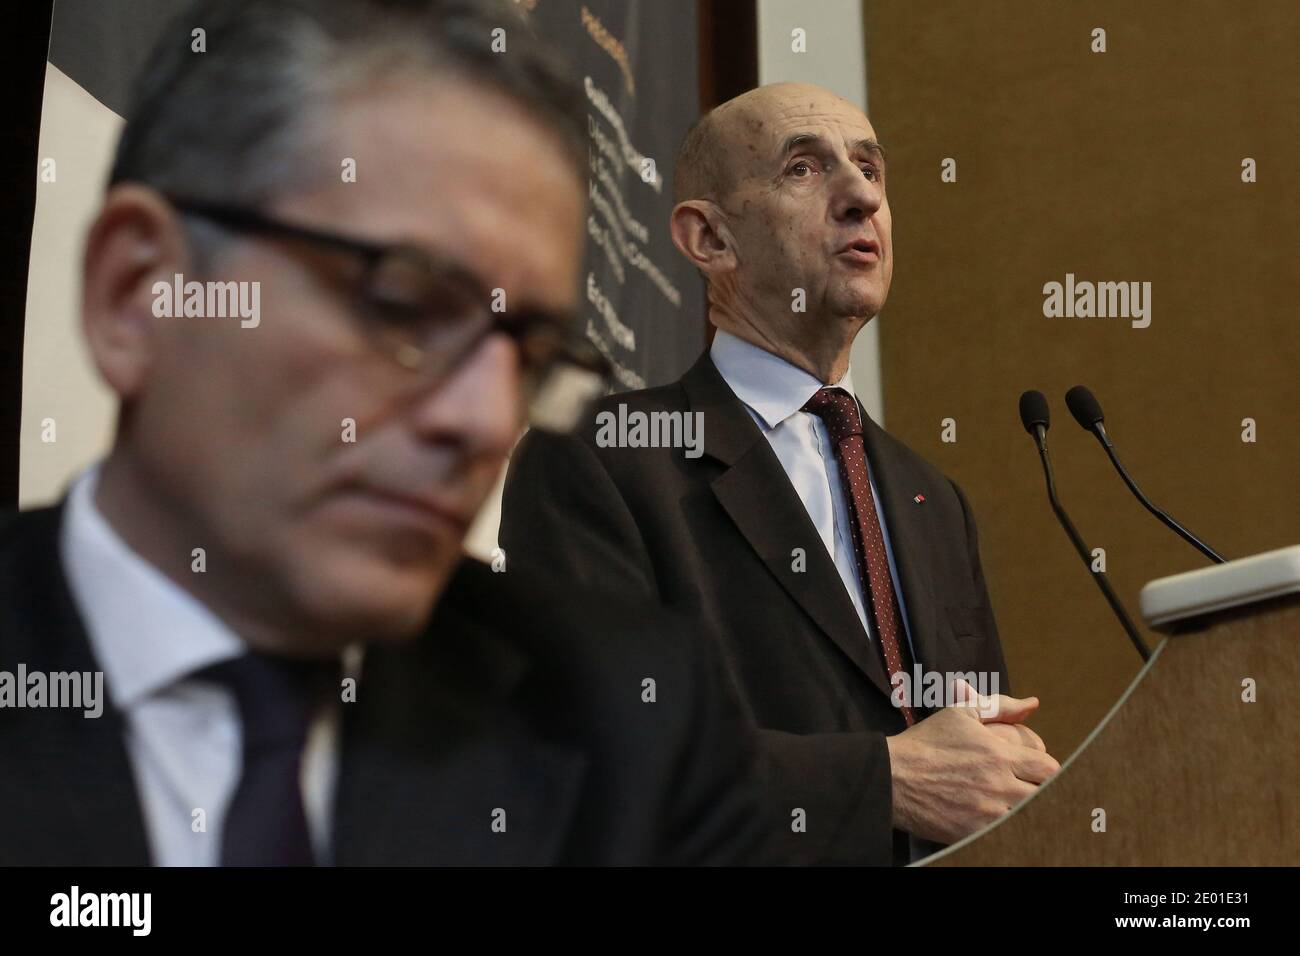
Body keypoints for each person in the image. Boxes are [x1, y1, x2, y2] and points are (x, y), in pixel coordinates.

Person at [0, 0, 766, 866]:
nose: (484, 423)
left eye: (532, 356)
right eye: (403, 306)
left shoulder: (630, 723)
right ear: (138, 291)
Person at [502, 82, 1060, 865]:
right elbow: (588, 754)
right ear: (709, 239)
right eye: (805, 168)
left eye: (872, 169)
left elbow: (970, 773)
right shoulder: (605, 457)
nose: (862, 195)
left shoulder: (933, 501)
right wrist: (885, 780)